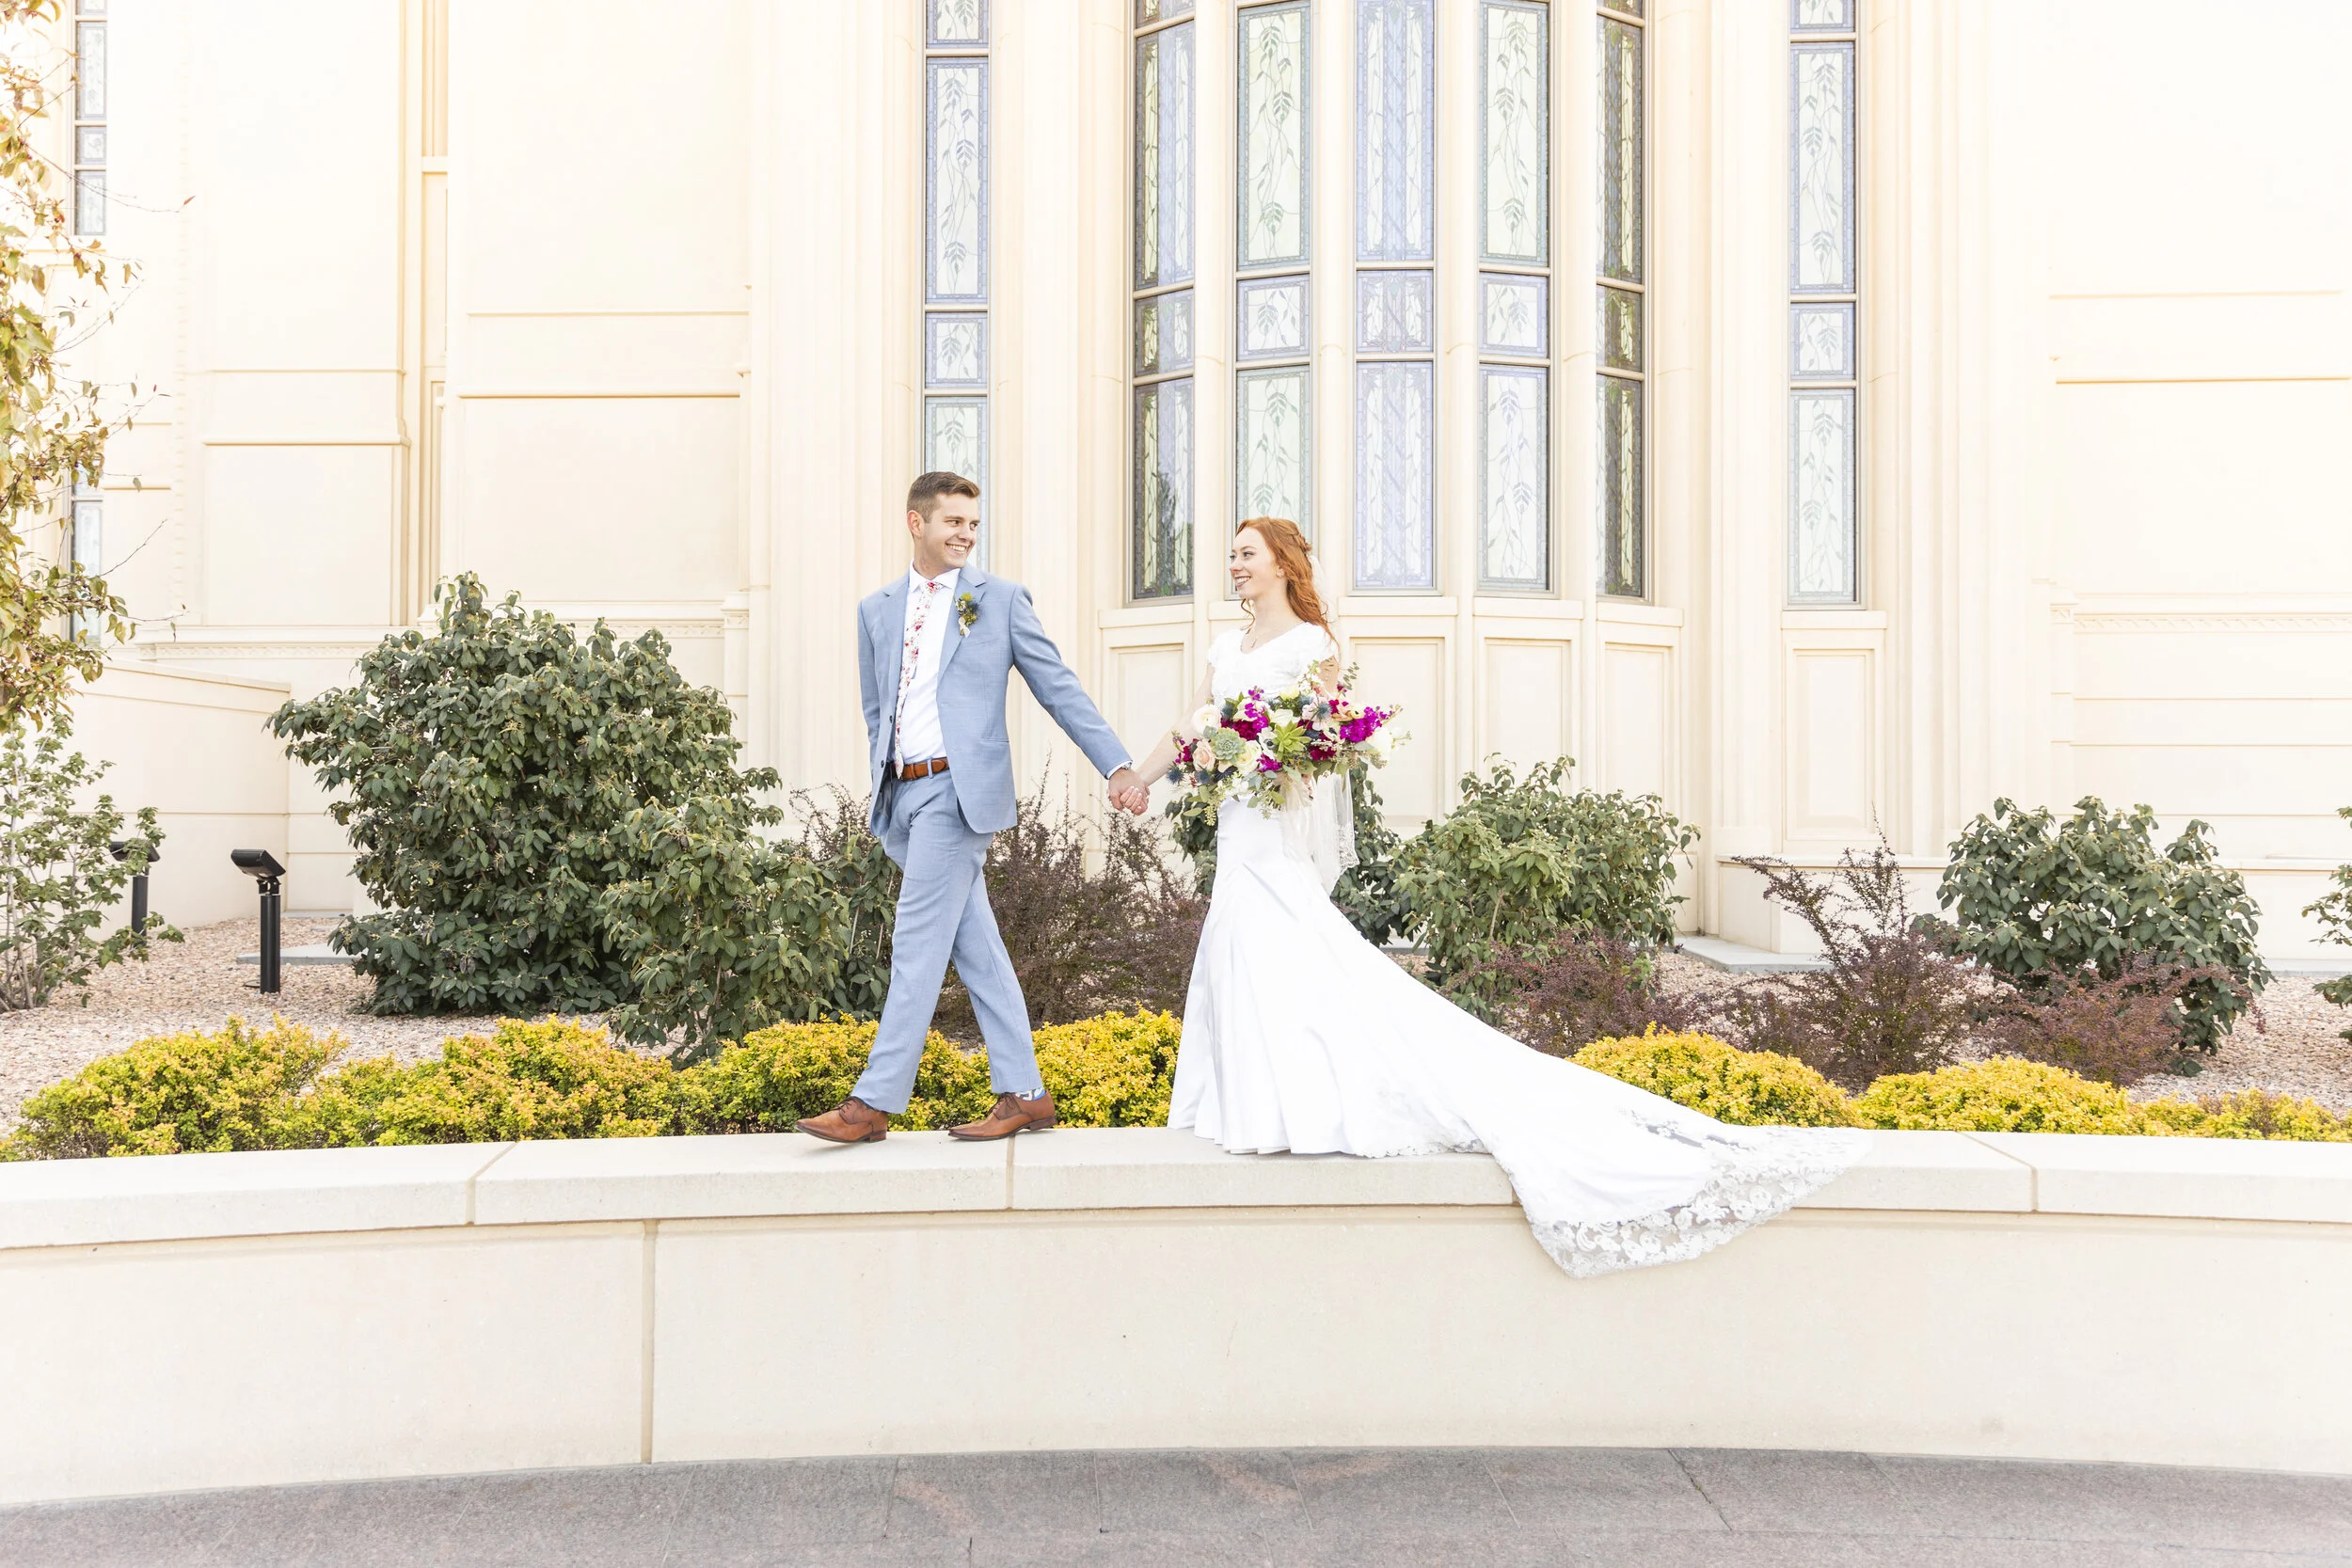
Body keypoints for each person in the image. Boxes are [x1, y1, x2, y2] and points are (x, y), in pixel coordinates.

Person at [1123, 517, 1868, 1275]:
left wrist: (1281, 756)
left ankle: (1298, 1098)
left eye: (1246, 554)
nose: (1235, 566)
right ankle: (1247, 1100)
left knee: (1288, 946)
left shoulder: (1314, 646)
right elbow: (1191, 727)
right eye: (1233, 557)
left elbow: (1329, 741)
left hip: (1273, 820)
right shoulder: (1226, 648)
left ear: (1282, 563)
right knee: (1242, 942)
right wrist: (1138, 778)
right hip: (1238, 825)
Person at [794, 472, 1151, 1147]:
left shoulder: (1002, 601)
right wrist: (886, 789)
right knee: (976, 947)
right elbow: (879, 709)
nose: (965, 533)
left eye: (972, 524)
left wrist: (1117, 762)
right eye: (952, 521)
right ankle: (1027, 1092)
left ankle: (872, 1102)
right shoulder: (876, 609)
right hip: (905, 793)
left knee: (916, 944)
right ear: (915, 523)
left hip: (958, 795)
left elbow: (1060, 688)